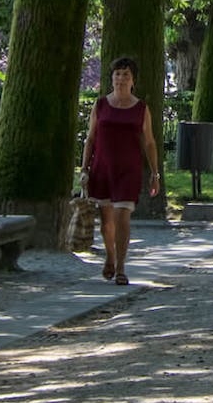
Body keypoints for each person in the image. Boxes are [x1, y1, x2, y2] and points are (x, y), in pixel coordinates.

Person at [82, 56, 161, 285]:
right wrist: (84, 168)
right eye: (117, 74)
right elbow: (90, 138)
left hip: (128, 169)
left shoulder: (141, 108)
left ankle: (121, 267)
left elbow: (149, 142)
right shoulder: (101, 105)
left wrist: (155, 174)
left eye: (126, 74)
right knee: (106, 219)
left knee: (122, 217)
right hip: (102, 168)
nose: (121, 79)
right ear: (111, 78)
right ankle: (110, 255)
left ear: (133, 80)